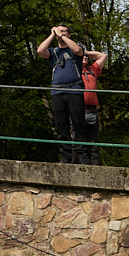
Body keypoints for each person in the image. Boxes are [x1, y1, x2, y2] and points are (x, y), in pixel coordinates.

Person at [36, 22, 90, 164]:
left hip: (74, 90)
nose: (61, 33)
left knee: (78, 123)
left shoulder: (75, 49)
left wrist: (62, 35)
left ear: (69, 34)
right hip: (57, 91)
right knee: (61, 125)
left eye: (64, 31)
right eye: (59, 31)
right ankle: (66, 156)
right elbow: (40, 51)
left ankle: (83, 155)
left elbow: (78, 49)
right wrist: (52, 35)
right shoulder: (53, 52)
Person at [81, 44, 108, 167]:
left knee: (93, 141)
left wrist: (84, 52)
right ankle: (78, 165)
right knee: (77, 140)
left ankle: (95, 166)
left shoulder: (92, 70)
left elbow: (103, 56)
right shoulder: (72, 71)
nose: (85, 57)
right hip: (77, 109)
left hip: (91, 110)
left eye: (86, 57)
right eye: (82, 56)